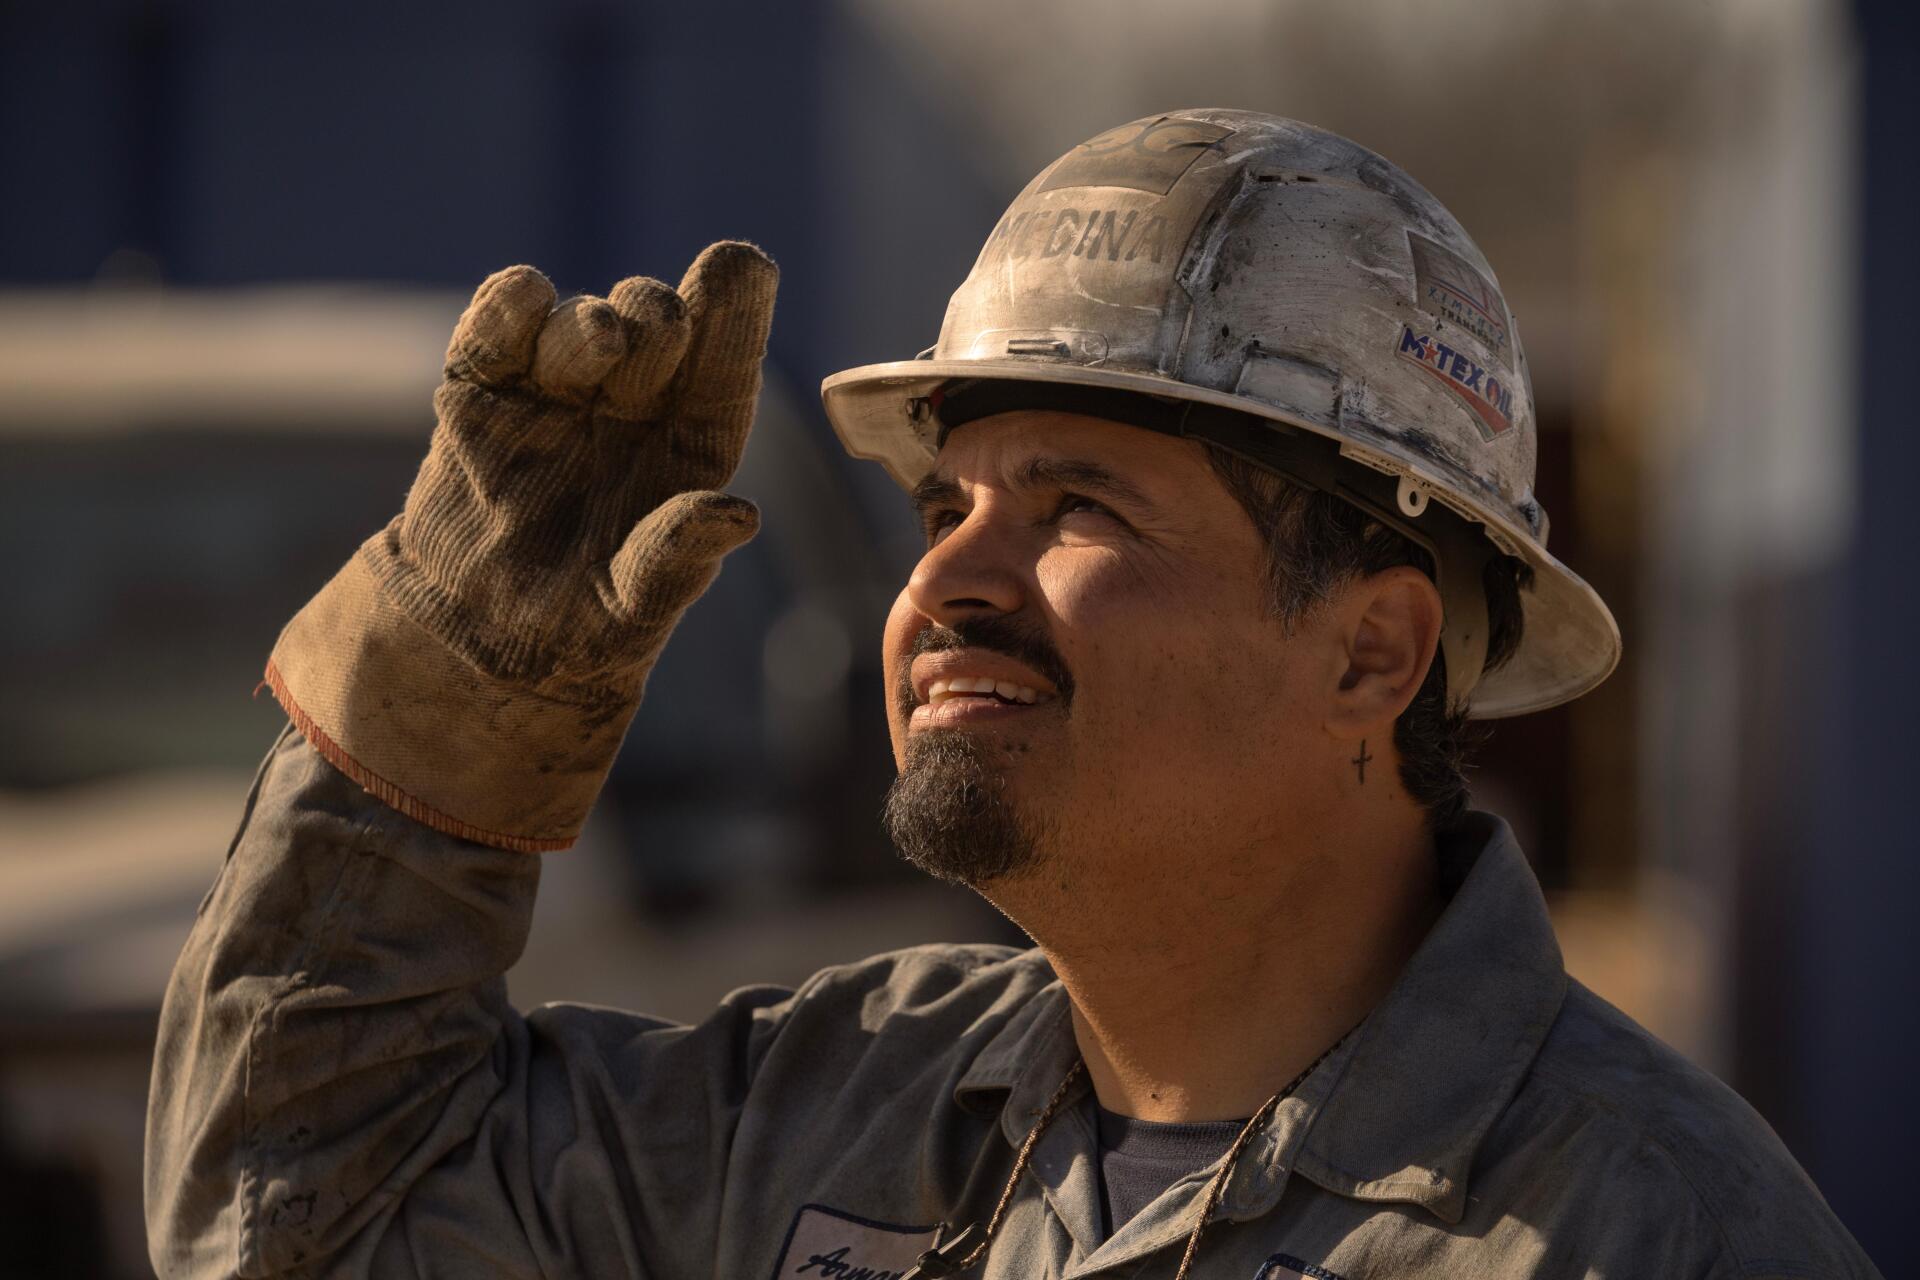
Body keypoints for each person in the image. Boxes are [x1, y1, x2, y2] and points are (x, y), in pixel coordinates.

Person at [145, 110, 1880, 1279]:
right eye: (946, 507)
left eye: (1080, 511)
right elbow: (303, 1215)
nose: (948, 585)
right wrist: (438, 705)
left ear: (1372, 651)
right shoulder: (846, 1116)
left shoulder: (1640, 1231)